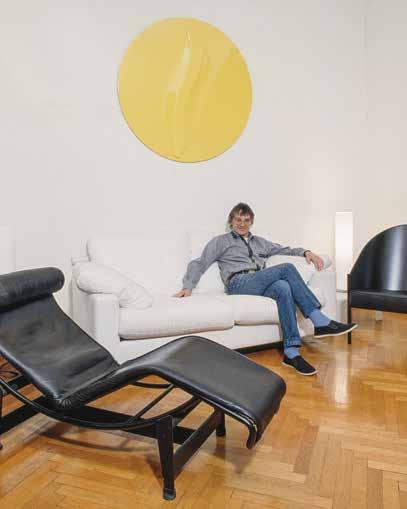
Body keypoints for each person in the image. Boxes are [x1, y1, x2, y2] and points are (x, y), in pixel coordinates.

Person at [175, 202, 357, 376]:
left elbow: (284, 249)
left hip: (259, 280)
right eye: (238, 219)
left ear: (251, 222)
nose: (242, 224)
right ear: (231, 221)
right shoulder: (220, 241)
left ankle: (291, 352)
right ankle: (319, 320)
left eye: (246, 220)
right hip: (238, 282)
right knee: (286, 269)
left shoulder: (260, 242)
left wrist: (305, 252)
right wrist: (188, 286)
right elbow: (199, 262)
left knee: (283, 287)